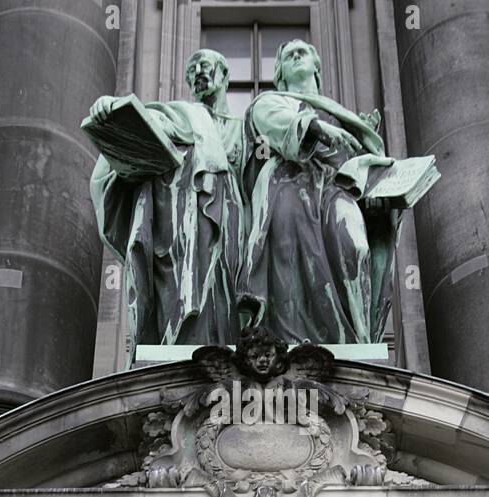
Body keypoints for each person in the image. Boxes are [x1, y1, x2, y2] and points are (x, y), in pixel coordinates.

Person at [240, 39, 398, 346]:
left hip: (338, 188)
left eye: (303, 53)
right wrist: (315, 128)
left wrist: (377, 189)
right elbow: (267, 120)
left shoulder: (341, 113)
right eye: (289, 55)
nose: (297, 56)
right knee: (286, 260)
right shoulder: (273, 100)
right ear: (280, 73)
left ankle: (354, 341)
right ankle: (287, 342)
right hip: (287, 186)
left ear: (317, 67)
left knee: (354, 245)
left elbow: (364, 164)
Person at [87, 49, 245, 352]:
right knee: (183, 288)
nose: (198, 71)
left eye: (205, 65)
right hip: (182, 218)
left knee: (221, 296)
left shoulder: (243, 128)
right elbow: (147, 121)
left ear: (224, 75)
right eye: (192, 69)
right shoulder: (181, 114)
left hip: (231, 222)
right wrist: (111, 108)